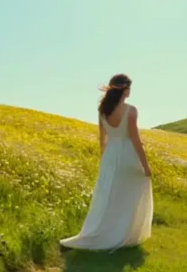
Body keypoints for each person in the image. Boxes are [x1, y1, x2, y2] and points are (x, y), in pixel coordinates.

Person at [60, 73, 153, 251]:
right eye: (129, 87)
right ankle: (123, 235)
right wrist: (145, 166)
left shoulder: (103, 110)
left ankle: (107, 231)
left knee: (109, 195)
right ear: (124, 89)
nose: (130, 91)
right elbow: (135, 139)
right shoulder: (130, 110)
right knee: (130, 194)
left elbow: (102, 139)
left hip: (110, 155)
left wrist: (106, 160)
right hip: (127, 154)